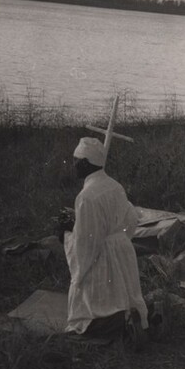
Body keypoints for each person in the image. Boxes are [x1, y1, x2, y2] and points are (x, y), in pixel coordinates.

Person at [63, 137, 148, 338]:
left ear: (84, 163)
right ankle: (129, 317)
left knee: (88, 311)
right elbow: (131, 219)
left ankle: (118, 325)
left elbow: (86, 245)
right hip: (121, 249)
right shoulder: (114, 185)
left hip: (102, 253)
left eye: (75, 161)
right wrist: (119, 239)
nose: (73, 165)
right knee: (123, 296)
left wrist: (66, 235)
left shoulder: (86, 196)